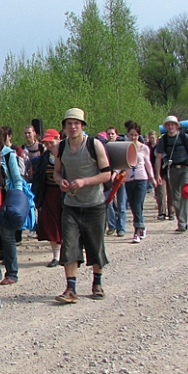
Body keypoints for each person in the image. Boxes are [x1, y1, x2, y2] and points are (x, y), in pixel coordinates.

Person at [53, 108, 111, 303]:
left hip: (94, 204)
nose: (72, 127)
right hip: (71, 204)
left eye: (76, 123)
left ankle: (97, 284)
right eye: (69, 123)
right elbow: (57, 172)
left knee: (95, 245)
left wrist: (85, 181)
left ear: (82, 126)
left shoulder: (94, 145)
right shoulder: (61, 147)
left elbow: (107, 174)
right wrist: (60, 181)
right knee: (69, 245)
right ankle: (70, 289)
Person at [0, 123, 24, 286]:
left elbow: (16, 179)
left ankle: (12, 272)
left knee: (7, 236)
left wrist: (16, 199)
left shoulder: (8, 155)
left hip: (6, 198)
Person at [154, 116, 188, 231]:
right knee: (175, 197)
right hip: (172, 169)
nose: (170, 127)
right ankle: (181, 219)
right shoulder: (163, 140)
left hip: (185, 169)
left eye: (172, 124)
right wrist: (157, 174)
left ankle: (182, 223)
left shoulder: (184, 137)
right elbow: (158, 158)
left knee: (184, 194)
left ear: (176, 125)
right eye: (168, 125)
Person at [32, 129, 63, 266]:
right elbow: (39, 176)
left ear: (58, 139)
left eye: (51, 142)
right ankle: (56, 256)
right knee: (51, 225)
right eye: (47, 143)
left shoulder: (67, 154)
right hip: (49, 193)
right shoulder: (45, 157)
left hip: (65, 194)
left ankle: (71, 253)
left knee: (68, 224)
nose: (49, 145)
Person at [124, 124, 155, 243]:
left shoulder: (144, 148)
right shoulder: (125, 148)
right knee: (133, 206)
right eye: (131, 135)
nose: (133, 137)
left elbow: (148, 164)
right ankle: (142, 226)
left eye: (135, 135)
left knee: (138, 204)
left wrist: (152, 178)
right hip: (129, 179)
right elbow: (121, 163)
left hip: (141, 178)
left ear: (139, 135)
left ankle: (136, 230)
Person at [102, 126, 127, 237]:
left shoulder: (121, 147)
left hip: (120, 179)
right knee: (108, 203)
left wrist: (116, 173)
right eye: (109, 134)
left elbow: (123, 163)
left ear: (116, 135)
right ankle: (112, 226)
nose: (110, 136)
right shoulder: (104, 147)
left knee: (121, 205)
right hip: (108, 179)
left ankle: (121, 228)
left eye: (112, 134)